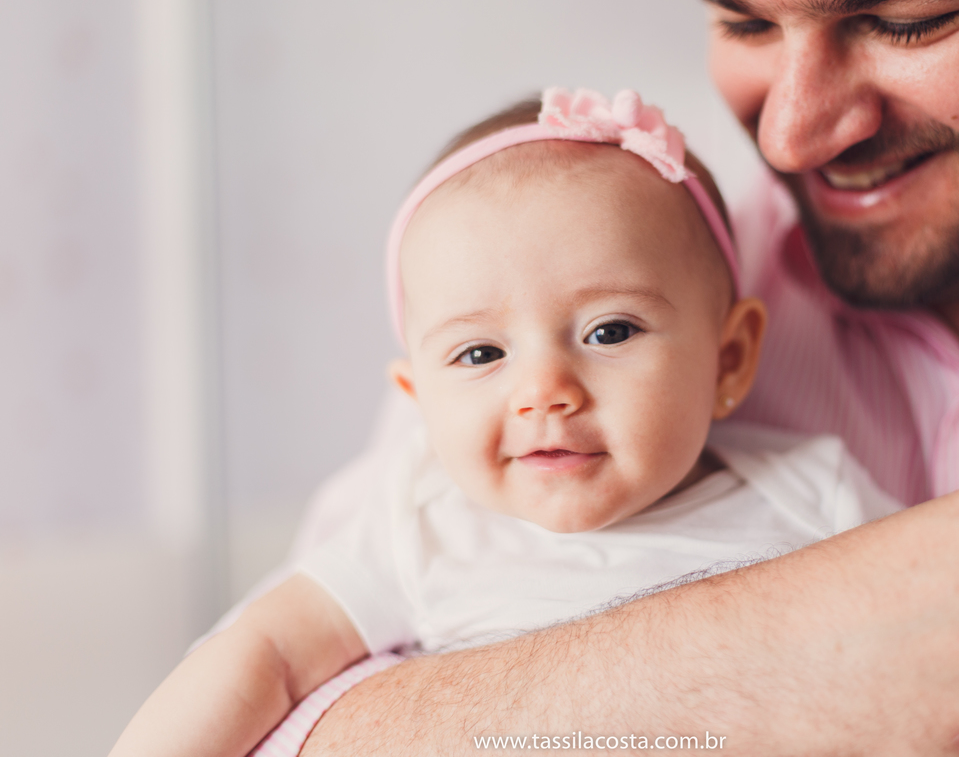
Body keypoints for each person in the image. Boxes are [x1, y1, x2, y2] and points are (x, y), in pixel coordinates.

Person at [283, 0, 959, 754]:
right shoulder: (574, 279)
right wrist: (767, 660)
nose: (789, 137)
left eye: (906, 21)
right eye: (743, 20)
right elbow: (285, 724)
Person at [107, 89, 903, 757]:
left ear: (728, 360)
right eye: (481, 353)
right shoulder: (418, 527)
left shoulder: (815, 498)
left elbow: (940, 663)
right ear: (417, 402)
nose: (544, 392)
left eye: (609, 332)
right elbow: (265, 656)